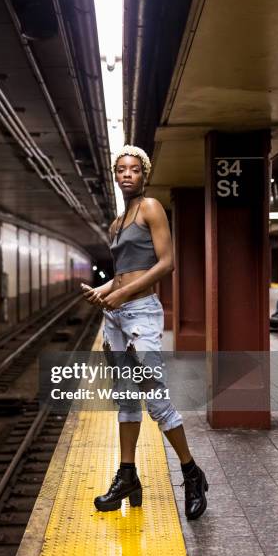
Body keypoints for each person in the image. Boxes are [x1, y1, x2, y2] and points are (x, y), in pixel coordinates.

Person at [81, 144, 208, 520]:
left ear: (144, 174)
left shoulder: (152, 208)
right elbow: (123, 272)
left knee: (154, 397)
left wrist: (121, 293)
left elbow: (166, 264)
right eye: (120, 169)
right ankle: (127, 476)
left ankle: (192, 473)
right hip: (117, 317)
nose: (126, 175)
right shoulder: (116, 223)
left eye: (134, 169)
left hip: (141, 314)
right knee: (125, 399)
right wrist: (102, 291)